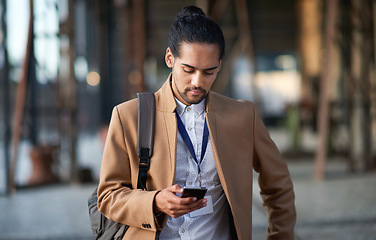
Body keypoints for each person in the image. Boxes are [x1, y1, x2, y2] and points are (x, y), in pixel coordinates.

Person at [97, 6, 296, 240]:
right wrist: (155, 201)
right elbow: (108, 197)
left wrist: (280, 236)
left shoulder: (243, 116)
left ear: (220, 65)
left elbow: (278, 186)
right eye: (188, 69)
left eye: (209, 72)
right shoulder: (128, 116)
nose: (197, 82)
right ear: (170, 58)